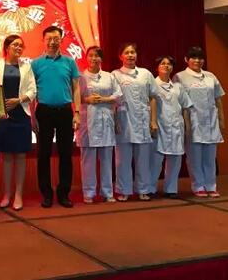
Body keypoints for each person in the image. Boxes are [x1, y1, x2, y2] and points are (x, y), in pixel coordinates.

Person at [31, 26, 80, 208]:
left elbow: (76, 88)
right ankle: (46, 194)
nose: (53, 42)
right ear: (43, 40)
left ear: (61, 40)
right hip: (43, 112)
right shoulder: (36, 64)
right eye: (49, 39)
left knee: (65, 154)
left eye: (56, 39)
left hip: (65, 112)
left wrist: (77, 112)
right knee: (43, 154)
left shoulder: (69, 62)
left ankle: (63, 193)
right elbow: (31, 91)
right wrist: (32, 117)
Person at [0, 35, 36, 211]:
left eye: (21, 45)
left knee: (21, 156)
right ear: (7, 47)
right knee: (7, 156)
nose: (18, 48)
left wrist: (19, 100)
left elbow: (33, 90)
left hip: (21, 114)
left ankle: (18, 194)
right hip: (3, 116)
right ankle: (7, 194)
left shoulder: (26, 67)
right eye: (15, 44)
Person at [174, 46, 225, 198]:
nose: (197, 60)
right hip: (192, 121)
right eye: (194, 57)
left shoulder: (210, 76)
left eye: (200, 58)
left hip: (211, 122)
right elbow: (178, 101)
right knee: (194, 157)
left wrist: (221, 120)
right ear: (186, 59)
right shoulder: (179, 77)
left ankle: (211, 185)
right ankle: (198, 185)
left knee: (210, 156)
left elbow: (218, 99)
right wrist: (185, 123)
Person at [112, 43, 158, 202]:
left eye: (133, 52)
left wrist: (153, 121)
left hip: (143, 121)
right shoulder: (115, 75)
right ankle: (124, 190)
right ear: (121, 56)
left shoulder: (145, 74)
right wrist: (115, 120)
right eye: (127, 52)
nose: (130, 55)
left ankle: (143, 190)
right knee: (122, 160)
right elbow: (113, 100)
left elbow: (153, 97)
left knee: (143, 159)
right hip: (123, 120)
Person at [77, 46, 121, 204]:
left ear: (101, 58)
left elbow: (118, 95)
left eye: (97, 56)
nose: (94, 58)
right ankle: (88, 192)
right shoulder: (81, 77)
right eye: (91, 55)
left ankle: (107, 192)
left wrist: (104, 99)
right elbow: (75, 97)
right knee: (88, 160)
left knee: (107, 159)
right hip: (87, 122)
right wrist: (87, 100)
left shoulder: (109, 76)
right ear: (86, 57)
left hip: (106, 121)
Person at [149, 56, 192, 198]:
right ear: (157, 67)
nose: (166, 66)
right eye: (163, 63)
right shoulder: (152, 84)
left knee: (175, 159)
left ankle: (171, 189)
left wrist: (187, 126)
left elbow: (186, 106)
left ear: (172, 68)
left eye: (169, 64)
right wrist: (152, 122)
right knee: (155, 160)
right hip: (159, 126)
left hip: (176, 127)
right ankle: (150, 188)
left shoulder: (178, 87)